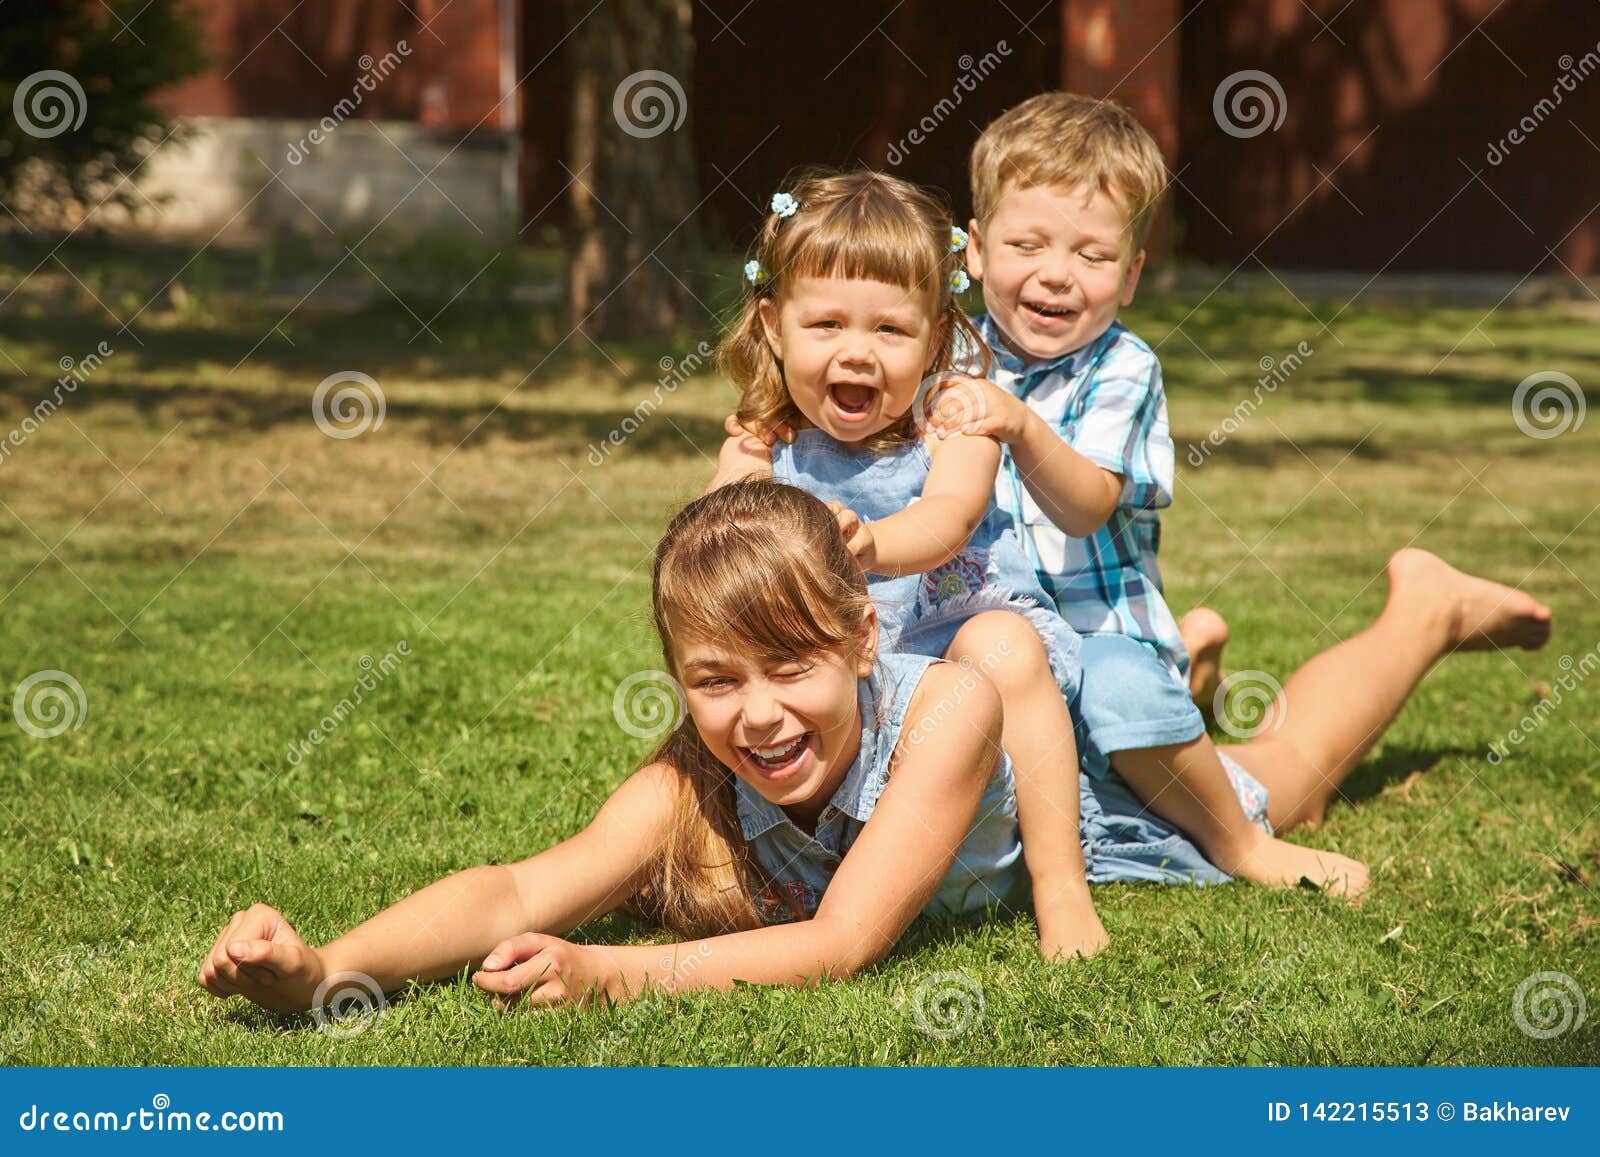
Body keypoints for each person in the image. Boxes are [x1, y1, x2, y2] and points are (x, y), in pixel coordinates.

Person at [933, 91, 1552, 890]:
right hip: (1001, 668)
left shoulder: (1120, 369)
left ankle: (1424, 611)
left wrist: (1018, 424)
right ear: (976, 250)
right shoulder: (940, 350)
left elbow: (1085, 501)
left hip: (1097, 665)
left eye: (1092, 256)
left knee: (1277, 776)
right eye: (1028, 244)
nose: (1057, 274)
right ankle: (1192, 675)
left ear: (1131, 275)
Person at [198, 481, 1030, 1014]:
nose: (759, 715)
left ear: (861, 640)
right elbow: (523, 890)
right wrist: (324, 966)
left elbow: (841, 943)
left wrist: (608, 973)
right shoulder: (701, 772)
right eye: (716, 681)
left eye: (789, 667)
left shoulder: (945, 711)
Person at [711, 170, 1105, 958]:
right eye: (825, 324)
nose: (857, 352)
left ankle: (1061, 885)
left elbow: (949, 520)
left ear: (934, 337)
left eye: (890, 331)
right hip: (836, 692)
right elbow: (717, 545)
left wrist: (867, 543)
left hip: (949, 653)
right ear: (773, 325)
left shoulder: (952, 420)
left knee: (1002, 643)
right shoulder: (763, 440)